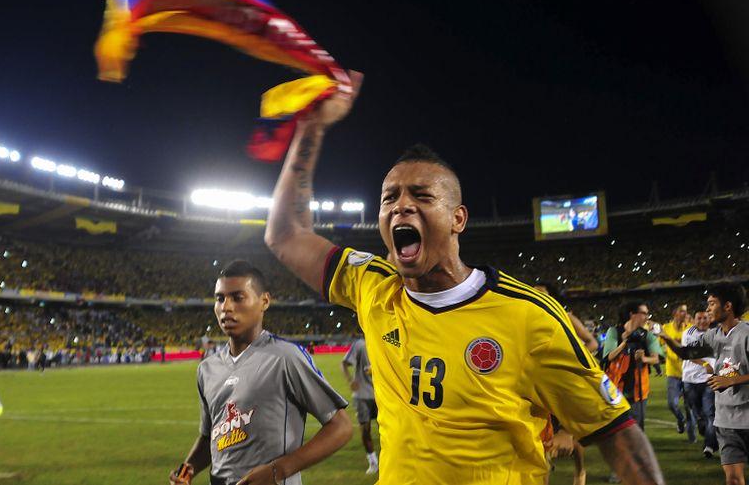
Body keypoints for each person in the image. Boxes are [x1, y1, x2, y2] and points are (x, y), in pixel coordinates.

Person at [264, 71, 664, 485]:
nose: (401, 206)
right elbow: (285, 234)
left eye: (421, 195)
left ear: (458, 219)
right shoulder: (373, 287)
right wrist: (311, 129)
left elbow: (616, 432)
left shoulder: (527, 316)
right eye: (390, 198)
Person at [168, 260, 352, 485]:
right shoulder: (207, 369)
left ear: (264, 301)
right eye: (220, 298)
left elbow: (341, 427)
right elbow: (211, 437)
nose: (226, 307)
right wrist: (188, 469)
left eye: (237, 297)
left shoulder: (285, 358)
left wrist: (279, 470)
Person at [659, 284, 749, 485]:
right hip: (726, 419)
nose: (707, 309)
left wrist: (732, 379)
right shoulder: (714, 334)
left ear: (727, 306)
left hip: (748, 415)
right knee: (733, 480)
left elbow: (731, 377)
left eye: (711, 304)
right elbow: (686, 354)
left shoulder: (746, 333)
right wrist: (667, 339)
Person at [534, 284, 596, 485]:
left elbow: (592, 342)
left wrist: (571, 358)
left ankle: (580, 475)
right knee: (542, 444)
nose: (536, 297)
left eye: (541, 293)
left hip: (565, 384)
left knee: (575, 443)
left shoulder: (565, 316)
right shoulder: (528, 318)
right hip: (539, 387)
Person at [602, 301, 662, 430]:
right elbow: (609, 356)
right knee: (616, 430)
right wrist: (624, 342)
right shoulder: (614, 332)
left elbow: (655, 359)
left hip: (638, 390)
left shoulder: (648, 336)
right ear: (632, 315)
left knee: (636, 429)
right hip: (615, 389)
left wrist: (644, 358)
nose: (647, 317)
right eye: (643, 313)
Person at [680, 310, 717, 458]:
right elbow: (689, 354)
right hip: (690, 379)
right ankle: (706, 431)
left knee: (710, 414)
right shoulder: (688, 333)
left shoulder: (716, 333)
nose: (702, 321)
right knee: (698, 414)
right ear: (694, 320)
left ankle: (709, 445)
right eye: (699, 318)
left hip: (708, 380)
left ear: (710, 319)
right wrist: (705, 364)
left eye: (705, 318)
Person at [341, 337, 378, 474]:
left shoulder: (383, 341)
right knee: (365, 430)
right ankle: (373, 462)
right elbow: (344, 363)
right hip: (362, 395)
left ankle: (390, 460)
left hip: (381, 395)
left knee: (386, 431)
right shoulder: (360, 344)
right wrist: (350, 380)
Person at [661, 304, 695, 441]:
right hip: (672, 373)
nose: (684, 314)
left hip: (688, 374)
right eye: (682, 311)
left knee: (689, 407)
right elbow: (656, 341)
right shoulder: (666, 328)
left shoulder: (690, 329)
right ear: (675, 313)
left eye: (686, 311)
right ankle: (680, 420)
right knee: (672, 404)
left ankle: (692, 437)